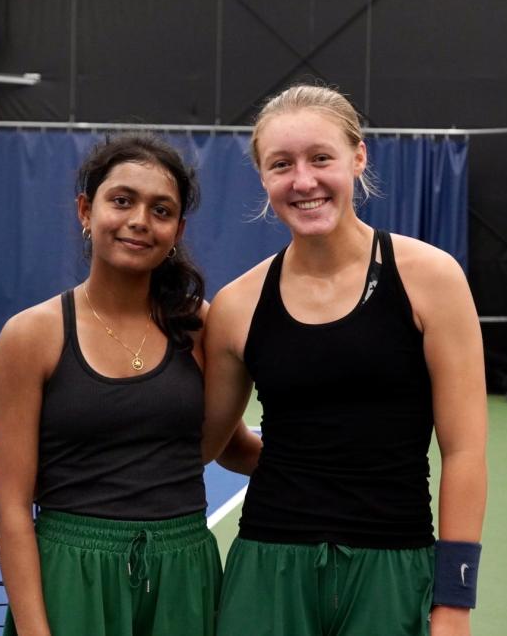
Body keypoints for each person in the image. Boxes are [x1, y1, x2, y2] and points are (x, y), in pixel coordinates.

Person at [202, 84, 488, 636]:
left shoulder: (433, 279)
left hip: (393, 569)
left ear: (358, 157)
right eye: (281, 164)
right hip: (266, 568)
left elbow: (465, 452)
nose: (303, 181)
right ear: (263, 177)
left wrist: (454, 601)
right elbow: (209, 444)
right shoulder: (236, 306)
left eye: (321, 158)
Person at [0, 133, 253, 636]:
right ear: (86, 211)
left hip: (184, 575)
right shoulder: (31, 336)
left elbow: (233, 446)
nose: (139, 221)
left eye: (161, 210)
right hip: (73, 575)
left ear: (177, 230)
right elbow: (11, 506)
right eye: (122, 200)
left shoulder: (201, 326)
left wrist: (336, 465)